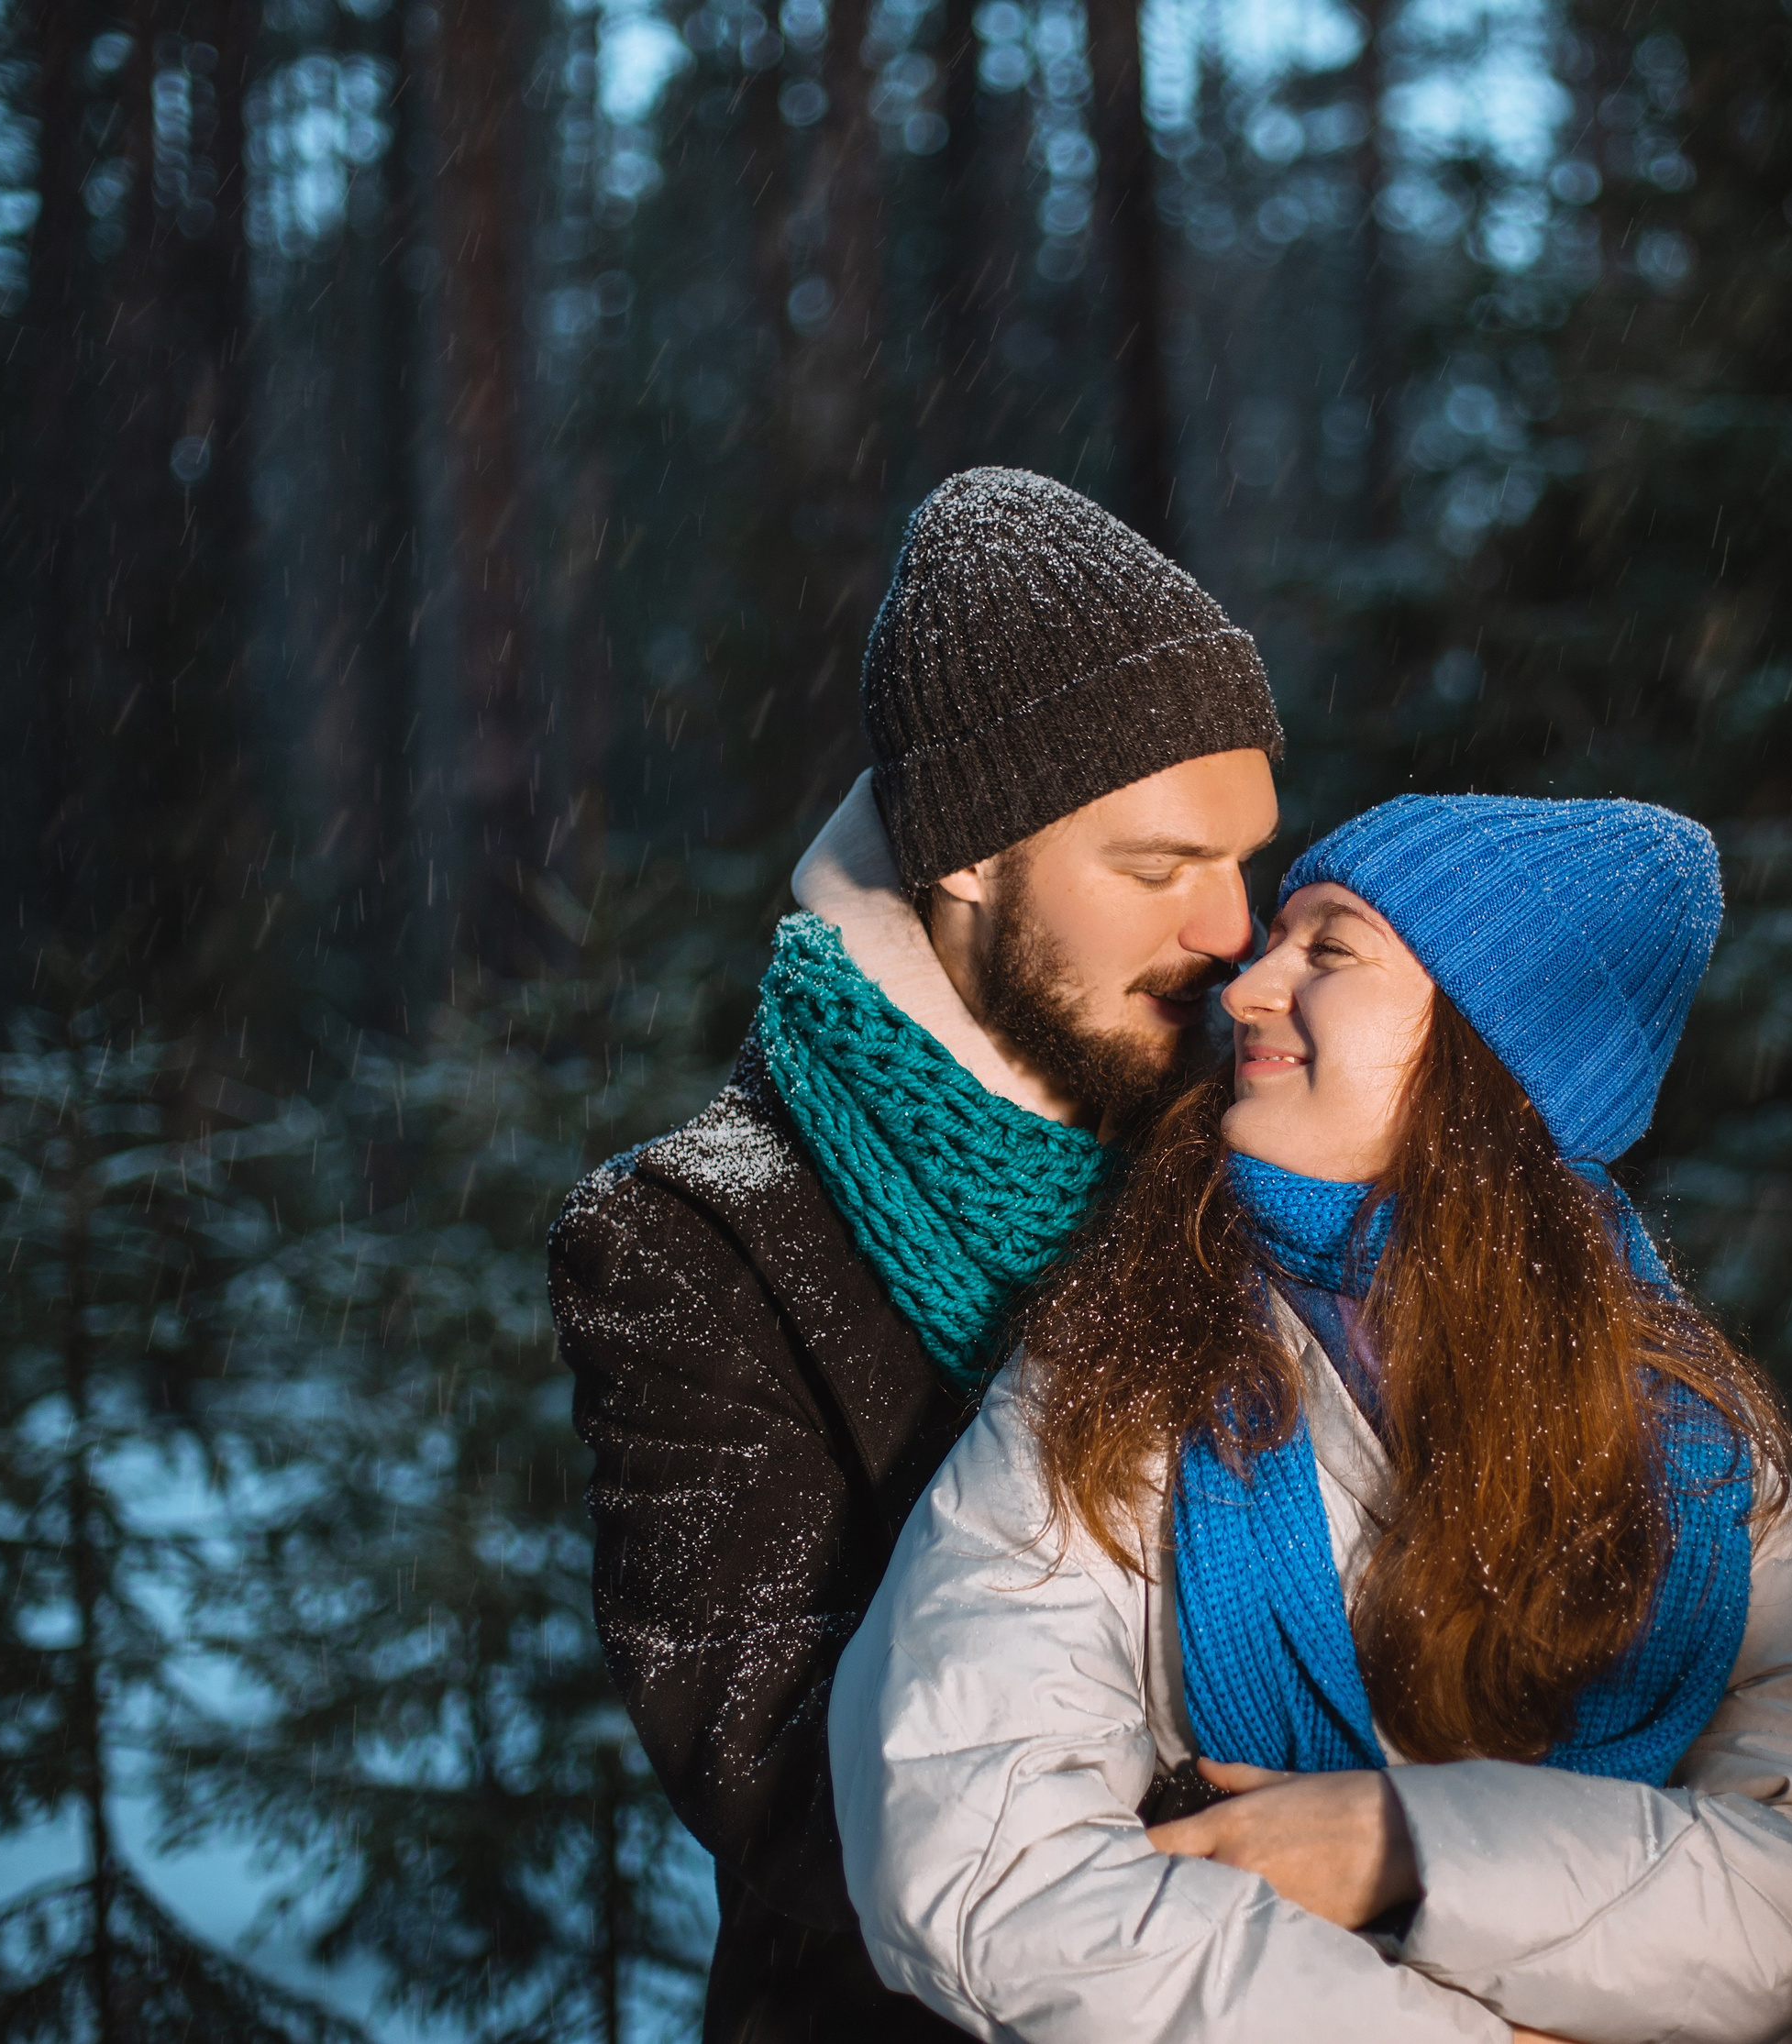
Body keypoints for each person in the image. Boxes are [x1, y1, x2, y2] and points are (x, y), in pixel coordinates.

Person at [830, 793, 1792, 2044]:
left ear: (1491, 1052)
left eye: (1333, 948)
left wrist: (1406, 1845)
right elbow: (973, 1852)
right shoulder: (1128, 1357)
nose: (1248, 985)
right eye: (1278, 941)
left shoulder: (1682, 1424)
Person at [549, 467, 1285, 2042]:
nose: (1234, 928)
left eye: (1246, 858)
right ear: (965, 854)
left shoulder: (1259, 1133)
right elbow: (779, 1759)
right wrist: (1262, 1810)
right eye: (1159, 869)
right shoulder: (688, 1241)